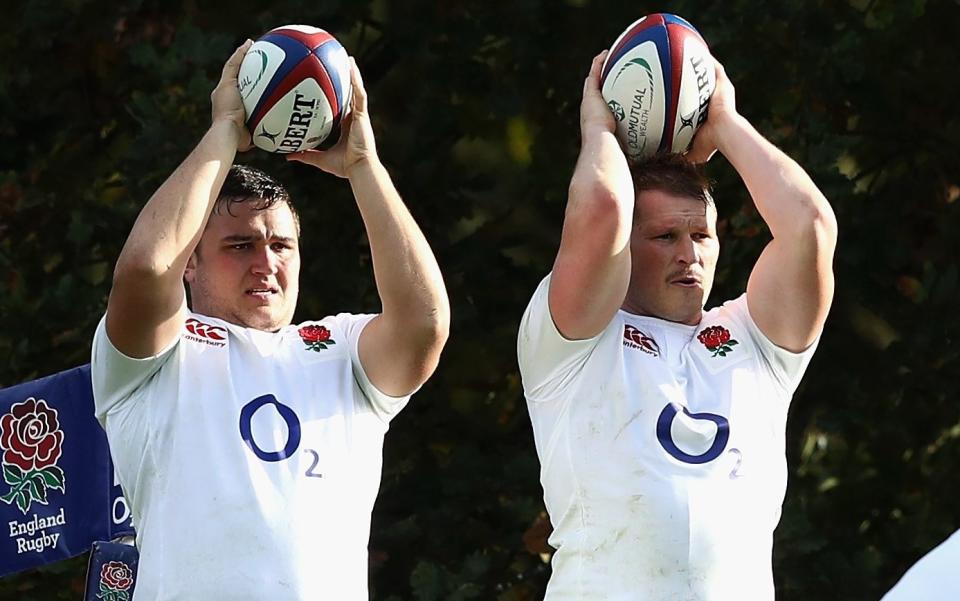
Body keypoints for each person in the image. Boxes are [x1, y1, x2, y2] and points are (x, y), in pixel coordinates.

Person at [91, 41, 449, 600]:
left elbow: (424, 323)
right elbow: (143, 269)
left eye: (282, 245)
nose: (266, 264)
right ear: (191, 262)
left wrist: (363, 166)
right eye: (239, 245)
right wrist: (225, 132)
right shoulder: (160, 354)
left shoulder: (341, 348)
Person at [517, 51, 837, 600]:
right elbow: (601, 207)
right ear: (624, 248)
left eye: (701, 236)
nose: (688, 254)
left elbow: (807, 226)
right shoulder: (572, 340)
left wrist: (726, 125)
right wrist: (599, 129)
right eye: (665, 237)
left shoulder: (755, 341)